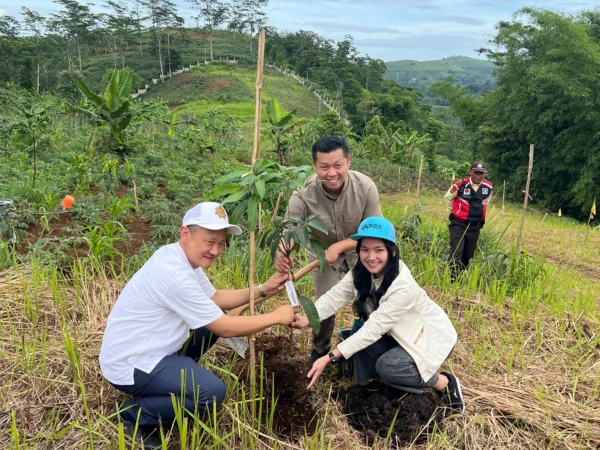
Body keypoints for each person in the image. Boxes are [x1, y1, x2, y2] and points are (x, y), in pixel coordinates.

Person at [99, 202, 294, 448]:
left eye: (221, 243)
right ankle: (133, 414)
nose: (215, 250)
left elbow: (214, 299)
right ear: (185, 234)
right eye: (209, 241)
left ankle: (169, 385)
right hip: (131, 363)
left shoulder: (177, 255)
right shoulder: (175, 274)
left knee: (208, 323)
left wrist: (262, 289)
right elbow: (225, 328)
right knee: (211, 393)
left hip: (145, 349)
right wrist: (277, 316)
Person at [291, 217, 465, 412]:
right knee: (363, 356)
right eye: (365, 250)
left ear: (391, 251)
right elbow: (335, 296)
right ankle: (380, 385)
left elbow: (374, 329)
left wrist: (329, 357)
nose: (371, 257)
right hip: (397, 333)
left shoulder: (402, 286)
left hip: (430, 338)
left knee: (388, 367)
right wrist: (308, 318)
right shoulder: (361, 269)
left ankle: (443, 382)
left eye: (378, 250)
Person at [275, 136, 382, 363]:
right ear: (314, 166)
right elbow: (290, 231)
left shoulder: (365, 187)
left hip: (362, 252)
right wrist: (281, 253)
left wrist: (341, 245)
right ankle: (320, 351)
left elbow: (374, 234)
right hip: (322, 255)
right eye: (324, 167)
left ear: (348, 161)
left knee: (374, 299)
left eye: (338, 165)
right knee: (324, 304)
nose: (331, 173)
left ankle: (371, 348)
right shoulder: (303, 195)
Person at [444, 162, 493, 280]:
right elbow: (447, 198)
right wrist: (455, 211)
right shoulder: (460, 185)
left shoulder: (488, 187)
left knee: (468, 254)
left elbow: (486, 202)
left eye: (481, 173)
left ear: (484, 174)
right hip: (459, 224)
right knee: (456, 251)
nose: (478, 176)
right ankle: (452, 279)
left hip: (475, 226)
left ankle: (461, 278)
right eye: (476, 172)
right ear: (470, 172)